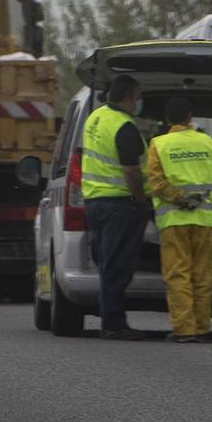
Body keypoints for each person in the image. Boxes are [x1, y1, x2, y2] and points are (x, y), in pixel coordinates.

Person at [79, 74, 150, 340]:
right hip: (120, 204)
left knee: (107, 263)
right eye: (138, 97)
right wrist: (142, 200)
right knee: (117, 266)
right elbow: (132, 171)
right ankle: (113, 323)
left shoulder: (95, 118)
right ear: (127, 98)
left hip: (95, 201)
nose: (139, 103)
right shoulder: (124, 126)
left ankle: (111, 319)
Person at [144, 96, 212, 343]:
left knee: (178, 274)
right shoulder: (207, 141)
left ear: (167, 120)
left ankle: (185, 329)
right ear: (190, 118)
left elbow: (155, 183)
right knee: (202, 274)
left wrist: (178, 198)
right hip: (205, 219)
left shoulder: (159, 144)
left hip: (174, 219)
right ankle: (202, 327)